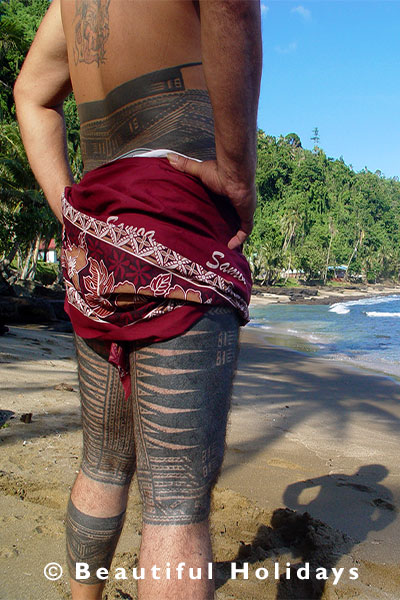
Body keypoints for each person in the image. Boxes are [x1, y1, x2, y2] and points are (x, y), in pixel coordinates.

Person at [14, 1, 262, 599]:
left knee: (101, 462)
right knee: (176, 496)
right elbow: (232, 7)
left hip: (95, 228)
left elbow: (31, 92)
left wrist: (67, 208)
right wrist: (236, 171)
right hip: (173, 209)